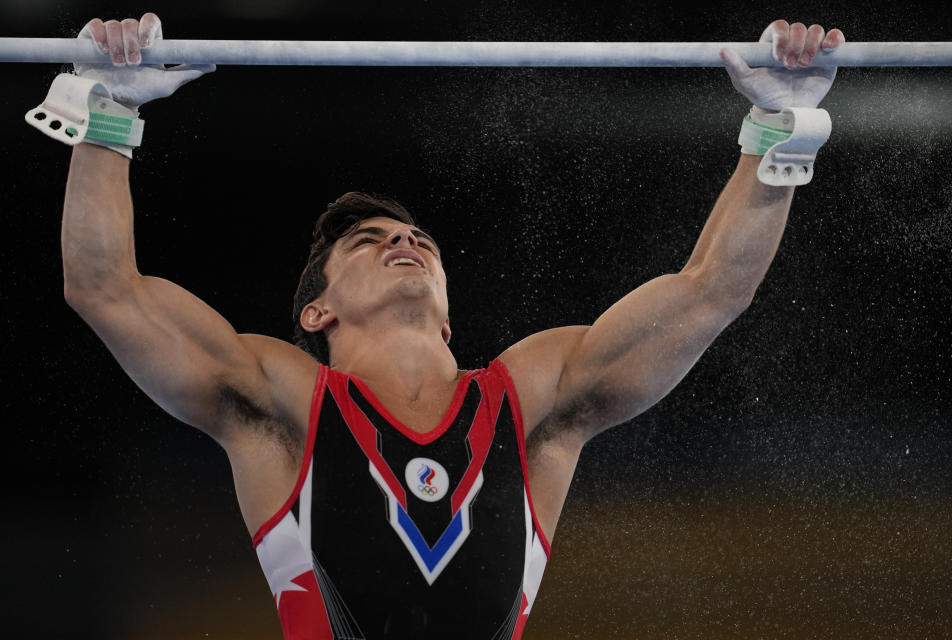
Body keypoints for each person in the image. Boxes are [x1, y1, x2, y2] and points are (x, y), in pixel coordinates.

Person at [48, 12, 844, 640]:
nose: (403, 240)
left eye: (417, 240)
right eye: (370, 241)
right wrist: (108, 115)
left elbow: (709, 294)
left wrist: (776, 130)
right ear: (315, 313)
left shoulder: (531, 396)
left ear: (448, 309)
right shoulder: (281, 403)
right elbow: (105, 289)